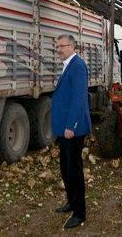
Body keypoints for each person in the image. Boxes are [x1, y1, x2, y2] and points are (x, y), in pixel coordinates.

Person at [51, 34, 92, 229]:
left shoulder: (78, 66)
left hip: (73, 129)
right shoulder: (68, 64)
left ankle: (80, 213)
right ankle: (71, 202)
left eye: (62, 46)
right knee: (65, 168)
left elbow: (79, 98)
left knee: (74, 170)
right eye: (57, 46)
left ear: (72, 47)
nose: (58, 49)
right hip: (64, 128)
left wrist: (71, 126)